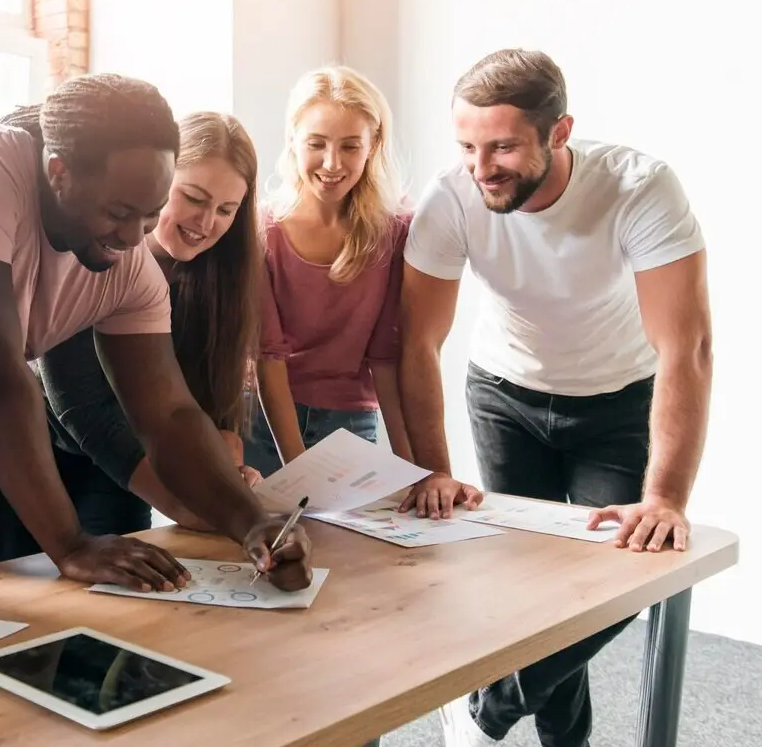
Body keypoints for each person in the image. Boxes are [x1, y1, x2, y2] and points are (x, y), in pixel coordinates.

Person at [0, 75, 313, 594]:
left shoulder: (131, 269)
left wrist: (251, 522)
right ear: (59, 173)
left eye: (149, 216)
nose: (131, 238)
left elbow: (168, 414)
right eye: (119, 213)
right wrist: (72, 544)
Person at [397, 49, 711, 747]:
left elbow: (684, 348)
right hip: (505, 396)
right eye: (469, 146)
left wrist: (666, 497)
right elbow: (417, 343)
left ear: (559, 132)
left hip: (617, 401)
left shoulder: (639, 187)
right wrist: (433, 469)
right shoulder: (451, 198)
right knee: (527, 589)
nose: (482, 169)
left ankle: (486, 707)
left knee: (627, 569)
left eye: (503, 146)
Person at [34, 111, 264, 536]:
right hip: (46, 456)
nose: (206, 222)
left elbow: (203, 400)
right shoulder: (99, 249)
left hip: (126, 469)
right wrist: (188, 504)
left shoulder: (222, 277)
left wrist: (223, 473)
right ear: (158, 182)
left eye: (226, 209)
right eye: (193, 198)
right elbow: (81, 406)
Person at [249, 67, 412, 476]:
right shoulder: (259, 229)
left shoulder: (394, 232)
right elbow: (267, 356)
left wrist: (413, 469)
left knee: (352, 541)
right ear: (292, 141)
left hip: (351, 425)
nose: (332, 163)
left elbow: (386, 356)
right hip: (263, 423)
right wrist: (296, 467)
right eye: (316, 144)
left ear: (373, 147)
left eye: (350, 146)